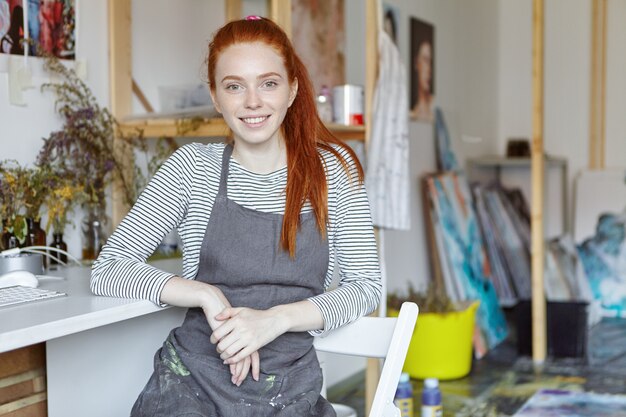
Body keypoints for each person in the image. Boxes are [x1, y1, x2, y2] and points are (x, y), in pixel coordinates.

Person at [91, 16, 382, 417]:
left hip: (290, 389)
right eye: (234, 86)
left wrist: (275, 321)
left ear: (292, 88)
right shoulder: (191, 168)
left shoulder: (333, 172)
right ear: (215, 96)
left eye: (268, 83)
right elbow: (108, 270)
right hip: (192, 382)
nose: (252, 102)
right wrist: (205, 295)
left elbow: (365, 287)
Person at [410, 38, 433, 121]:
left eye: (430, 62)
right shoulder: (412, 112)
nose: (429, 69)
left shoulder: (433, 107)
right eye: (425, 60)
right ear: (417, 63)